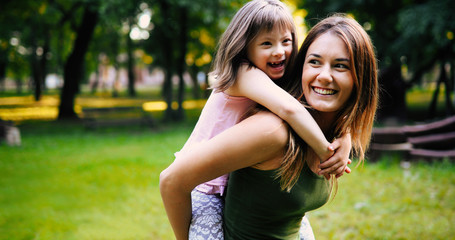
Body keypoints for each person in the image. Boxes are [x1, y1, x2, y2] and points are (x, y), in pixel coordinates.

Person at [160, 13, 378, 239]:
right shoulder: (270, 124)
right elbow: (171, 181)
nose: (323, 76)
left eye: (340, 66)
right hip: (204, 191)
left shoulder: (323, 127)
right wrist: (326, 150)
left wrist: (347, 134)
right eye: (314, 61)